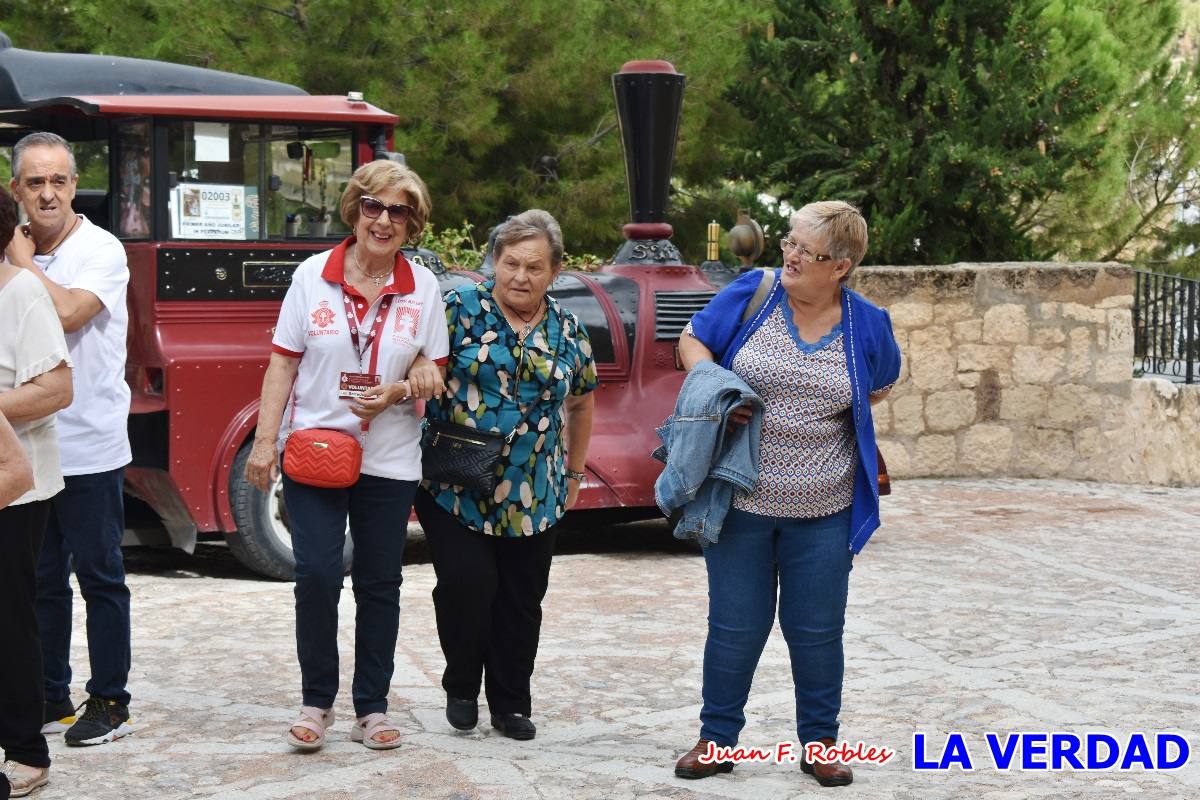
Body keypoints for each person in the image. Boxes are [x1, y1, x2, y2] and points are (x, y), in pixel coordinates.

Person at [671, 201, 900, 787]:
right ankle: (717, 740)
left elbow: (879, 384)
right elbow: (691, 342)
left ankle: (821, 744)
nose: (790, 256)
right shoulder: (755, 292)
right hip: (740, 501)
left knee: (818, 629)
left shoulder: (868, 323)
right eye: (790, 242)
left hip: (825, 510)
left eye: (807, 250)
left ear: (841, 266)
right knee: (735, 626)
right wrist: (718, 386)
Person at [245, 160, 448, 751]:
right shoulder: (312, 276)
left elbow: (433, 369)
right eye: (372, 206)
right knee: (314, 574)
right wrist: (264, 443)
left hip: (388, 456)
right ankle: (317, 702)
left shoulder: (424, 288)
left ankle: (373, 708)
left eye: (398, 211)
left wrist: (406, 382)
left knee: (380, 582)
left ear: (412, 223)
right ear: (355, 210)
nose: (383, 220)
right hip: (315, 451)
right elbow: (283, 361)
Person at [414, 209, 598, 741]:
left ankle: (512, 702)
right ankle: (462, 687)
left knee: (522, 598)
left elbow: (582, 403)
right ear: (494, 260)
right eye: (510, 262)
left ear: (556, 270)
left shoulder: (566, 327)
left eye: (534, 266)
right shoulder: (457, 309)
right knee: (467, 588)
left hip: (536, 489)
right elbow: (415, 364)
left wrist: (575, 472)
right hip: (456, 483)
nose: (520, 275)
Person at [5, 132, 134, 748]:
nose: (48, 193)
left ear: (75, 185)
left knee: (101, 576)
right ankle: (48, 693)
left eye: (59, 180)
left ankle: (110, 699)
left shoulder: (101, 249)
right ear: (16, 190)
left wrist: (19, 257)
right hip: (30, 447)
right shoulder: (17, 255)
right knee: (40, 580)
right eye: (35, 182)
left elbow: (66, 314)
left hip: (91, 443)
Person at [0, 187, 73, 798]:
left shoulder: (21, 294)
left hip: (16, 487)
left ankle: (27, 749)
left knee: (10, 617)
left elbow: (55, 389)